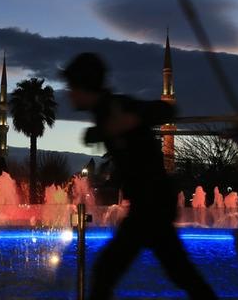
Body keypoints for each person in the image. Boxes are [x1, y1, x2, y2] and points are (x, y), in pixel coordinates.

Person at [62, 53, 217, 300]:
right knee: (180, 273)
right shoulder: (103, 111)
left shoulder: (118, 106)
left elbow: (167, 109)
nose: (69, 94)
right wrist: (99, 132)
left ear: (84, 86)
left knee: (109, 271)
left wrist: (134, 119)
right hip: (148, 205)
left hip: (152, 206)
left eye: (72, 87)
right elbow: (95, 134)